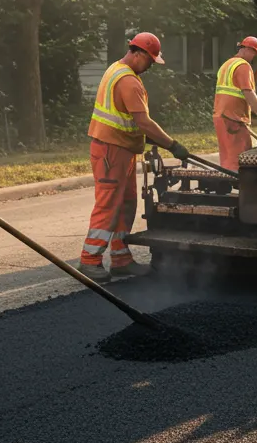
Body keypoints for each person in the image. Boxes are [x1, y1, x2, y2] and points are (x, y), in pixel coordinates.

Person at [80, 32, 189, 282]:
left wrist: (154, 142)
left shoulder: (116, 70)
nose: (150, 66)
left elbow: (128, 121)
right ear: (138, 53)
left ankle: (121, 258)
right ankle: (89, 260)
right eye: (150, 60)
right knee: (108, 205)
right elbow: (143, 122)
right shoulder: (127, 81)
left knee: (126, 204)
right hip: (111, 151)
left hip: (123, 149)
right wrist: (172, 145)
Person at [213, 36, 257, 172]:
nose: (254, 57)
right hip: (234, 118)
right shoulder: (243, 66)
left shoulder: (227, 64)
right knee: (239, 159)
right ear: (247, 49)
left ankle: (227, 181)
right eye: (254, 53)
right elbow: (248, 92)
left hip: (221, 116)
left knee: (227, 158)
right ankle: (239, 183)